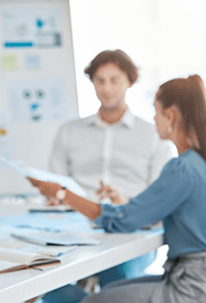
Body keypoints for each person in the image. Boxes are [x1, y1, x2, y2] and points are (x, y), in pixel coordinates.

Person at [29, 75, 206, 303]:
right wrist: (129, 205)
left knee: (90, 300)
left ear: (171, 116)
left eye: (156, 111)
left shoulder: (182, 168)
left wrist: (63, 193)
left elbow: (122, 219)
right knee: (111, 290)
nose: (153, 118)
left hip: (192, 288)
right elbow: (177, 212)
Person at [38, 50, 173, 303]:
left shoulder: (153, 135)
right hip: (75, 229)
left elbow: (159, 197)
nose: (106, 88)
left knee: (118, 283)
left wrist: (126, 201)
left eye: (114, 80)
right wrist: (56, 197)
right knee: (42, 281)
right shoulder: (69, 131)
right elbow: (56, 184)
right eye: (100, 80)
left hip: (130, 231)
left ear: (130, 82)